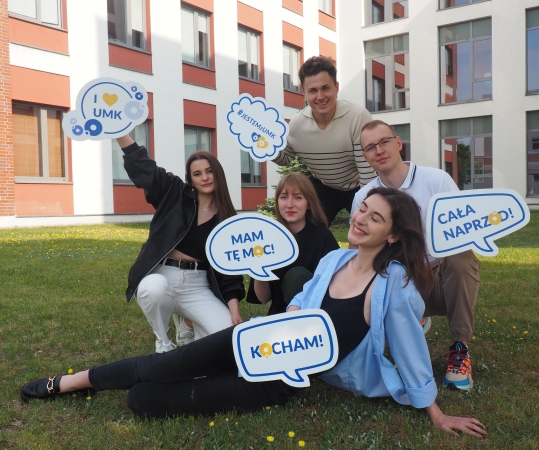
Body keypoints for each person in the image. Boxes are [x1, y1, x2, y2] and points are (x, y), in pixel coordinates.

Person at [20, 188, 486, 439]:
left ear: (393, 236)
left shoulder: (394, 285)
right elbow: (303, 303)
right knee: (162, 365)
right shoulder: (334, 259)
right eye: (362, 210)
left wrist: (436, 412)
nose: (361, 219)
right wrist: (291, 307)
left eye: (375, 218)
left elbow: (409, 347)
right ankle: (70, 382)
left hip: (281, 379)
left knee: (143, 401)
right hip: (257, 339)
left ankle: (187, 380)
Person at [351, 120, 482, 391]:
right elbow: (358, 250)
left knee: (461, 255)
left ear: (398, 143)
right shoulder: (364, 196)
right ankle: (409, 318)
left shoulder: (436, 180)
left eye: (384, 142)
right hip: (396, 280)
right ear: (365, 156)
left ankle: (460, 349)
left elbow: (463, 230)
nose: (379, 150)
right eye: (371, 147)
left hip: (438, 275)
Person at [115, 135, 245, 353]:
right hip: (163, 276)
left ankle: (188, 323)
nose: (205, 178)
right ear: (190, 179)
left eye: (209, 171)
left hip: (198, 286)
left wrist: (234, 311)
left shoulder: (228, 220)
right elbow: (144, 169)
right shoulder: (173, 193)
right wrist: (119, 132)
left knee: (228, 339)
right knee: (153, 288)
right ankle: (164, 341)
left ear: (218, 174)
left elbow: (229, 272)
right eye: (197, 174)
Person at [272, 56, 376, 225]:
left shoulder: (358, 117)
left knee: (370, 229)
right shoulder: (297, 125)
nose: (320, 96)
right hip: (323, 186)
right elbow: (285, 159)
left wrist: (366, 211)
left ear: (336, 87)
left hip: (358, 184)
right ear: (303, 91)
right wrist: (263, 146)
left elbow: (367, 174)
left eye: (325, 88)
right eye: (313, 90)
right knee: (307, 230)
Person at [246, 173, 339, 314]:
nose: (289, 204)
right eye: (283, 197)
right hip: (279, 316)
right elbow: (263, 298)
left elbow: (337, 286)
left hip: (314, 315)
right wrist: (259, 268)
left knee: (296, 275)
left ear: (309, 203)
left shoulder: (323, 237)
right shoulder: (267, 239)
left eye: (298, 197)